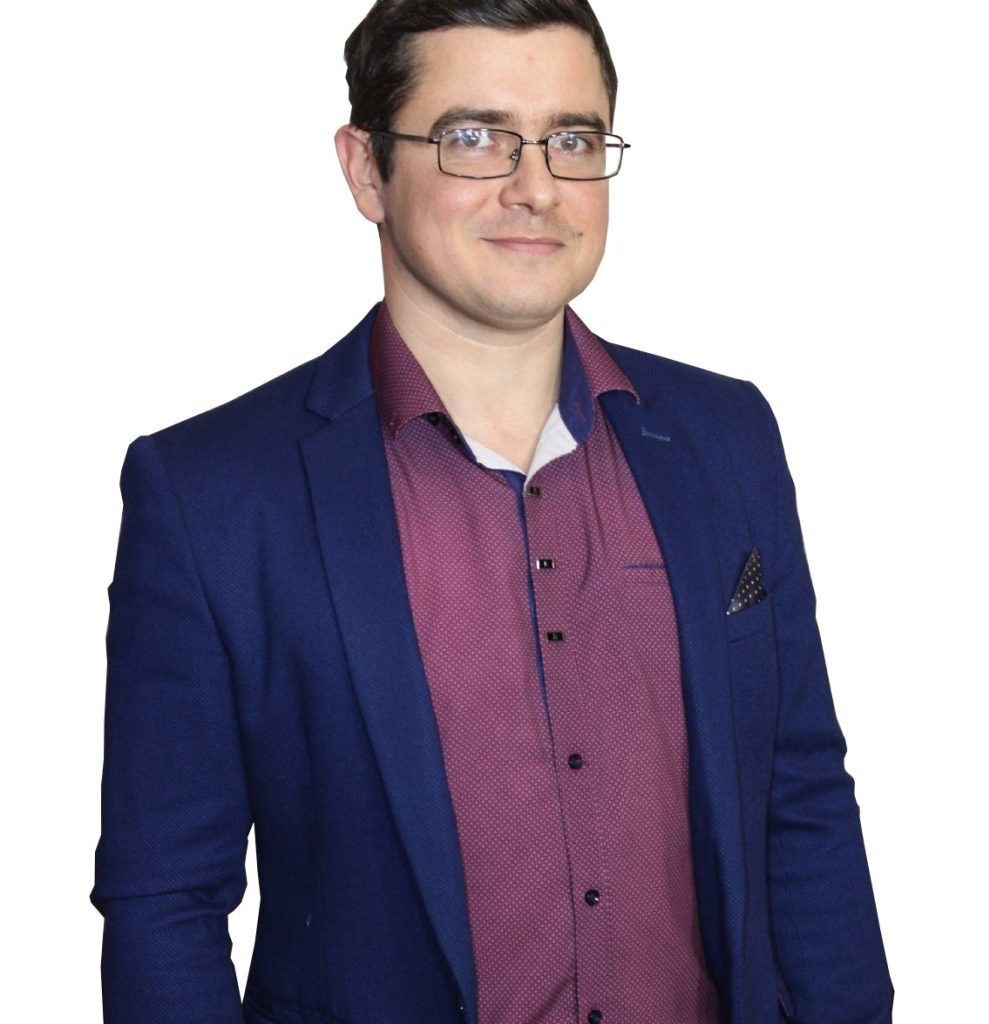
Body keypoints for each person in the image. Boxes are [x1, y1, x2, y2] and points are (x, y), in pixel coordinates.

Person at [90, 1, 894, 1022]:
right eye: (474, 138)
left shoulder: (725, 438)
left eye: (573, 140)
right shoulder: (212, 494)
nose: (536, 187)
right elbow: (165, 899)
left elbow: (799, 792)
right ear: (366, 170)